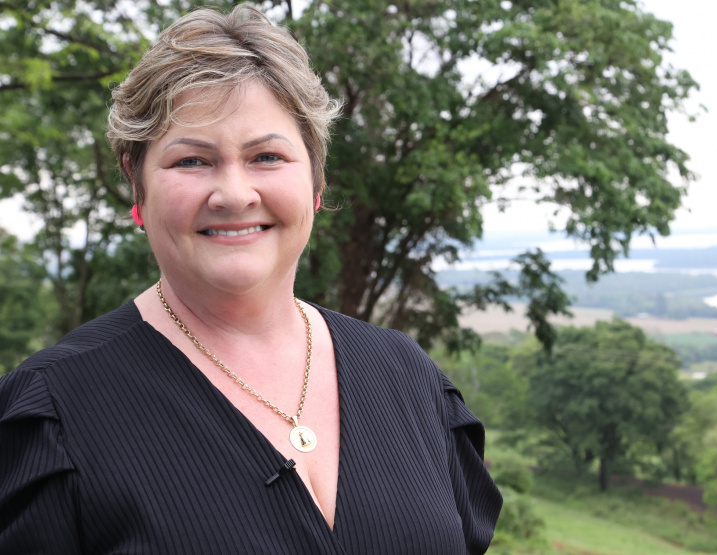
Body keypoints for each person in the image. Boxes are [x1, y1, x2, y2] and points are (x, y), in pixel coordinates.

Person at [0, 5, 501, 553]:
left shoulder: (408, 379)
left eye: (266, 156)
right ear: (136, 186)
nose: (235, 195)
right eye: (192, 161)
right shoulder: (54, 411)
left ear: (315, 180)